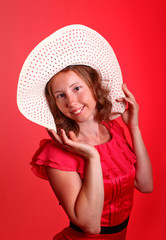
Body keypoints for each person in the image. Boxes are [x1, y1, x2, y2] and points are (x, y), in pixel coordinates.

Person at [17, 25, 153, 240]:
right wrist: (92, 157)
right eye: (60, 95)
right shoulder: (57, 152)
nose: (71, 101)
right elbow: (91, 226)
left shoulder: (113, 130)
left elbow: (145, 185)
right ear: (54, 103)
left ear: (94, 86)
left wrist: (133, 128)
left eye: (76, 88)